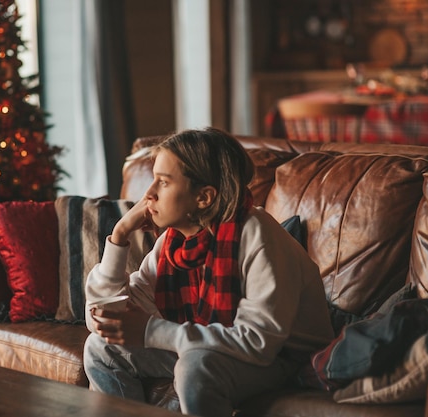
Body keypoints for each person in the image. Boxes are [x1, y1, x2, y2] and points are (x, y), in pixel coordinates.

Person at [83, 127, 334, 417]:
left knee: (196, 366)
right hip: (219, 346)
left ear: (203, 197)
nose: (148, 195)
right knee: (101, 347)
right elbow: (103, 318)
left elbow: (258, 342)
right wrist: (119, 235)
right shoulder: (172, 242)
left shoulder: (257, 235)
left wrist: (153, 331)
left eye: (162, 183)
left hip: (286, 358)